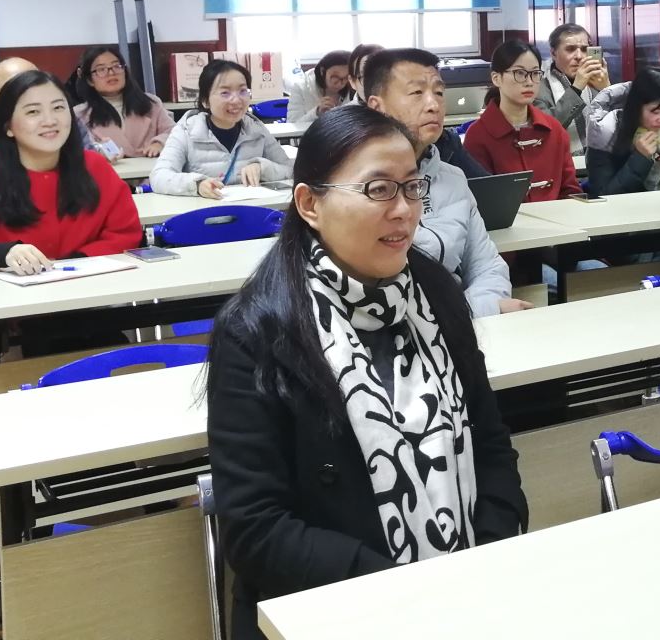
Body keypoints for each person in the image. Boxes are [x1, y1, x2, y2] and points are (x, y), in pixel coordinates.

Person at [205, 106, 527, 637]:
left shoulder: (437, 293)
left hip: (463, 597)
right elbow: (257, 530)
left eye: (413, 187)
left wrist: (485, 556)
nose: (404, 211)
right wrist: (403, 591)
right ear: (310, 204)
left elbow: (490, 445)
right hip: (334, 611)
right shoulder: (259, 329)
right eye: (378, 190)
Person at [0, 70, 140, 288]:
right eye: (33, 112)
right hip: (9, 301)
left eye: (58, 108)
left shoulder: (95, 168)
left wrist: (72, 264)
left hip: (90, 292)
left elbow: (126, 233)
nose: (50, 121)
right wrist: (4, 253)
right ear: (8, 126)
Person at [362, 48, 527, 315]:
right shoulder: (359, 188)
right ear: (376, 107)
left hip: (460, 325)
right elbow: (373, 299)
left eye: (439, 92)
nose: (434, 105)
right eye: (417, 92)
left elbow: (487, 267)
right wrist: (474, 311)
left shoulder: (453, 179)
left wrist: (477, 309)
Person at [0, 57, 99, 208]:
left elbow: (93, 175)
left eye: (35, 84)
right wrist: (16, 197)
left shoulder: (64, 122)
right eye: (15, 91)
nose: (29, 95)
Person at [151, 59, 293, 198]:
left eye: (243, 91)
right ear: (205, 101)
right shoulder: (186, 131)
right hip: (205, 211)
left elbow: (289, 169)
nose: (236, 100)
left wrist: (262, 168)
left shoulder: (256, 129)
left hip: (250, 209)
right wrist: (197, 184)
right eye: (225, 93)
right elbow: (159, 177)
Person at [463, 39, 578, 202]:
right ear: (496, 78)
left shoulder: (554, 129)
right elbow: (482, 200)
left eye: (535, 73)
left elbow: (571, 190)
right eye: (520, 73)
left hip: (559, 216)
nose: (529, 82)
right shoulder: (478, 136)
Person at [584, 67, 660, 196]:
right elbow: (602, 196)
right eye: (655, 112)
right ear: (637, 106)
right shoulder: (607, 131)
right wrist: (640, 158)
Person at [71, 45, 175, 158]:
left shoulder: (151, 103)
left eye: (116, 66)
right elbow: (82, 148)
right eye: (101, 69)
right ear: (90, 80)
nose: (111, 73)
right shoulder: (80, 115)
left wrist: (160, 143)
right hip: (111, 168)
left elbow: (174, 131)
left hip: (152, 166)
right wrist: (100, 152)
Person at [535, 25, 610, 156]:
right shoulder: (538, 88)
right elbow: (545, 130)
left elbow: (620, 125)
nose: (579, 56)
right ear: (553, 53)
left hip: (600, 161)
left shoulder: (597, 82)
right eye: (570, 49)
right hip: (560, 163)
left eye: (584, 49)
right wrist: (576, 88)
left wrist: (608, 89)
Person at [285, 49, 352, 123]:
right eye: (335, 76)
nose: (340, 83)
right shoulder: (300, 88)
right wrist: (316, 112)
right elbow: (292, 125)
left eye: (346, 77)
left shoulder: (353, 89)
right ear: (322, 71)